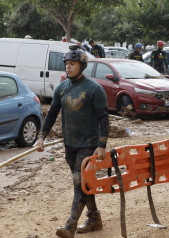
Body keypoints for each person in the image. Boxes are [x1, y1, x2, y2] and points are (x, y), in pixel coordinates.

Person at [35, 44, 109, 238]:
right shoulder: (62, 88)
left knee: (79, 182)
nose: (68, 67)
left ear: (81, 65)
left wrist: (102, 145)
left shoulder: (94, 89)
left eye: (72, 63)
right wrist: (41, 137)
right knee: (85, 184)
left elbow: (103, 118)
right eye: (66, 63)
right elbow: (51, 115)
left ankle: (70, 226)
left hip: (89, 145)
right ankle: (94, 218)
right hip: (70, 145)